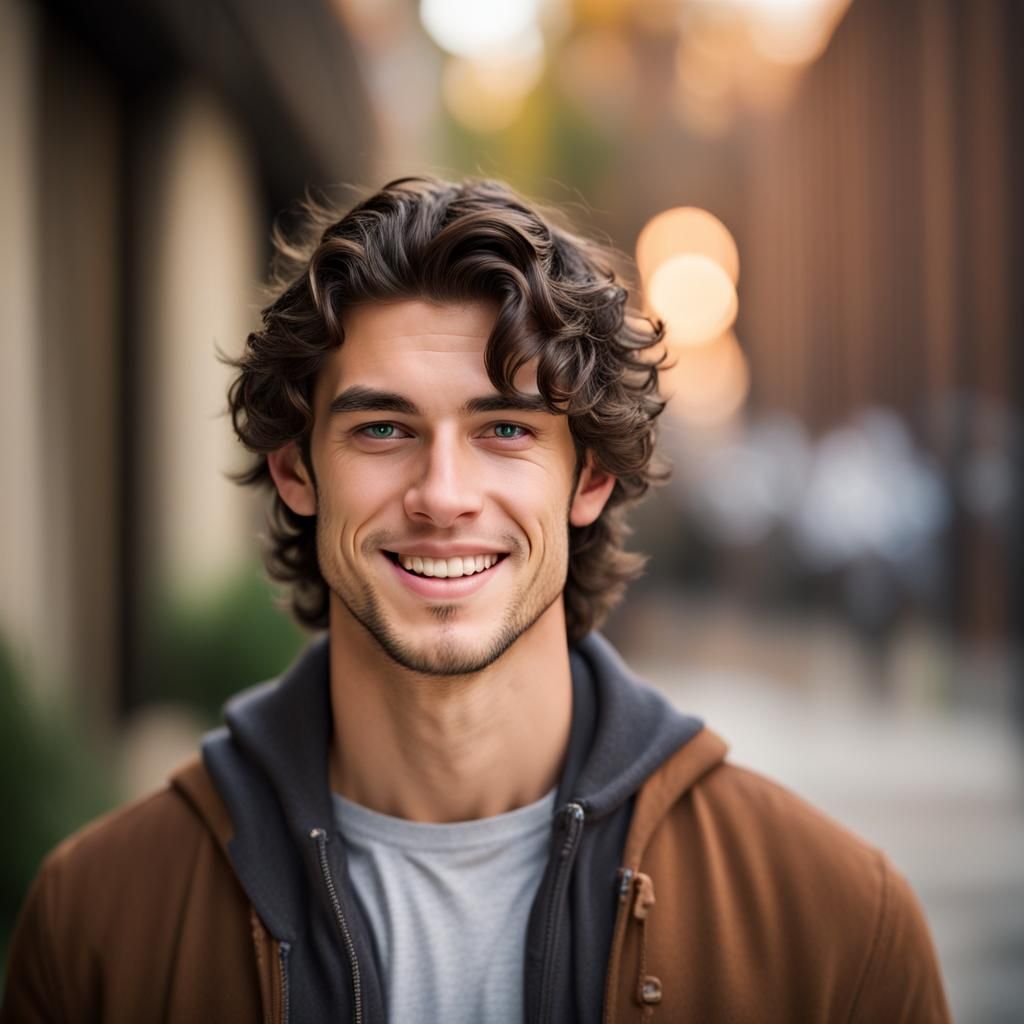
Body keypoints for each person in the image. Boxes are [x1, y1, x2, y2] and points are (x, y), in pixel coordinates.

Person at [1, 177, 950, 1023]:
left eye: (504, 426)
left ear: (588, 482)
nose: (443, 493)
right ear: (295, 471)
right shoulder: (97, 922)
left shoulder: (833, 925)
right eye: (382, 427)